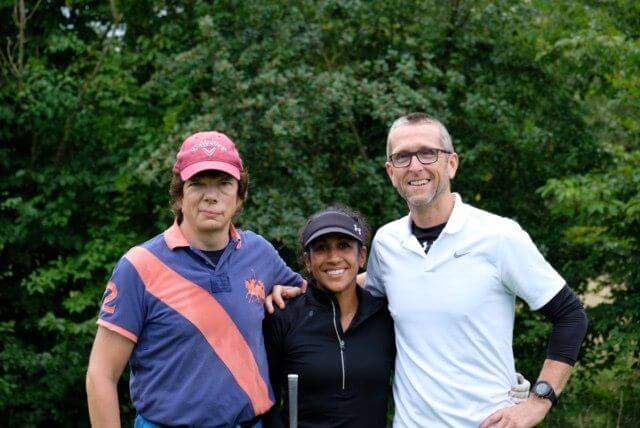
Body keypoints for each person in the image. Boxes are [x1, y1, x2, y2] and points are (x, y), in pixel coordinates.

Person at [364, 112, 589, 427]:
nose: (415, 166)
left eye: (428, 153)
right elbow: (364, 296)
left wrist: (538, 401)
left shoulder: (498, 236)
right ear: (391, 171)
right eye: (402, 157)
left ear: (452, 164)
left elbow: (571, 315)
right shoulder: (386, 244)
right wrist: (305, 288)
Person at [86, 131, 304, 428]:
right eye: (197, 183)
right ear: (179, 194)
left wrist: (287, 290)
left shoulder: (259, 253)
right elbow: (101, 374)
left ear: (240, 197)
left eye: (224, 183)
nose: (211, 195)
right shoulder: (138, 266)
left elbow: (318, 295)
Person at [262, 206, 396, 428]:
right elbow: (267, 404)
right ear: (308, 261)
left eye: (343, 246)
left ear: (362, 256)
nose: (334, 258)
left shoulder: (386, 316)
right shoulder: (284, 316)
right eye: (322, 248)